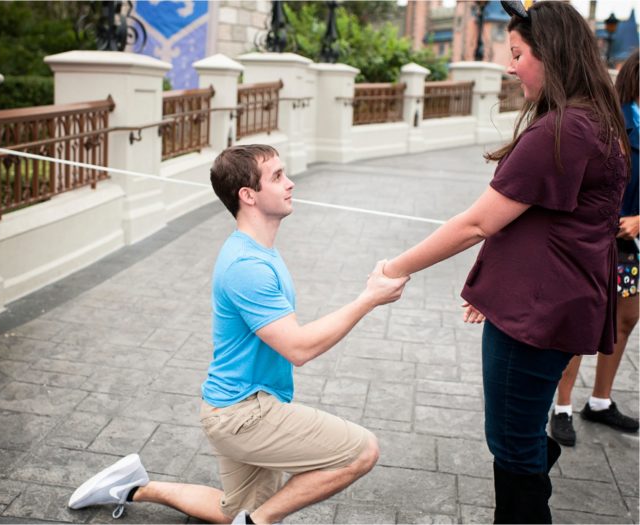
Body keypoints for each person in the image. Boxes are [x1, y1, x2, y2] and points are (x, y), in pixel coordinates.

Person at [380, 2, 628, 522]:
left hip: (537, 319)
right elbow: (543, 222)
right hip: (553, 305)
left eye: (518, 54)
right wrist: (493, 291)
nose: (510, 67)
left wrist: (394, 266)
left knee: (512, 448)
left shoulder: (562, 131)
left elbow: (477, 223)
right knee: (521, 436)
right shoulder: (595, 119)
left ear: (552, 54)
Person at [68, 145, 408, 524]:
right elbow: (298, 347)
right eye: (277, 177)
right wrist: (369, 299)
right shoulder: (247, 265)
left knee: (235, 512)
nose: (290, 183)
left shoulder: (258, 251)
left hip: (232, 407)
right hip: (245, 414)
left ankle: (134, 486)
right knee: (361, 451)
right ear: (248, 195)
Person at [549, 48, 640, 446]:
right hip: (598, 242)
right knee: (585, 322)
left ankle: (600, 401)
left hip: (633, 246)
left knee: (625, 320)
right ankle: (562, 405)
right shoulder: (613, 122)